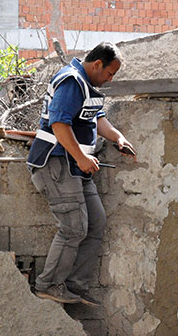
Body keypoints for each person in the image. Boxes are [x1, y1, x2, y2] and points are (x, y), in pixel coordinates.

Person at [26, 42, 135, 307]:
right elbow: (59, 123)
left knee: (96, 223)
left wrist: (118, 138)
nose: (110, 79)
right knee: (73, 228)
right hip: (56, 163)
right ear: (97, 64)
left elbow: (97, 118)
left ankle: (75, 285)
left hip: (76, 167)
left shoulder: (88, 86)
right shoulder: (72, 81)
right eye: (110, 73)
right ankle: (48, 284)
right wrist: (81, 157)